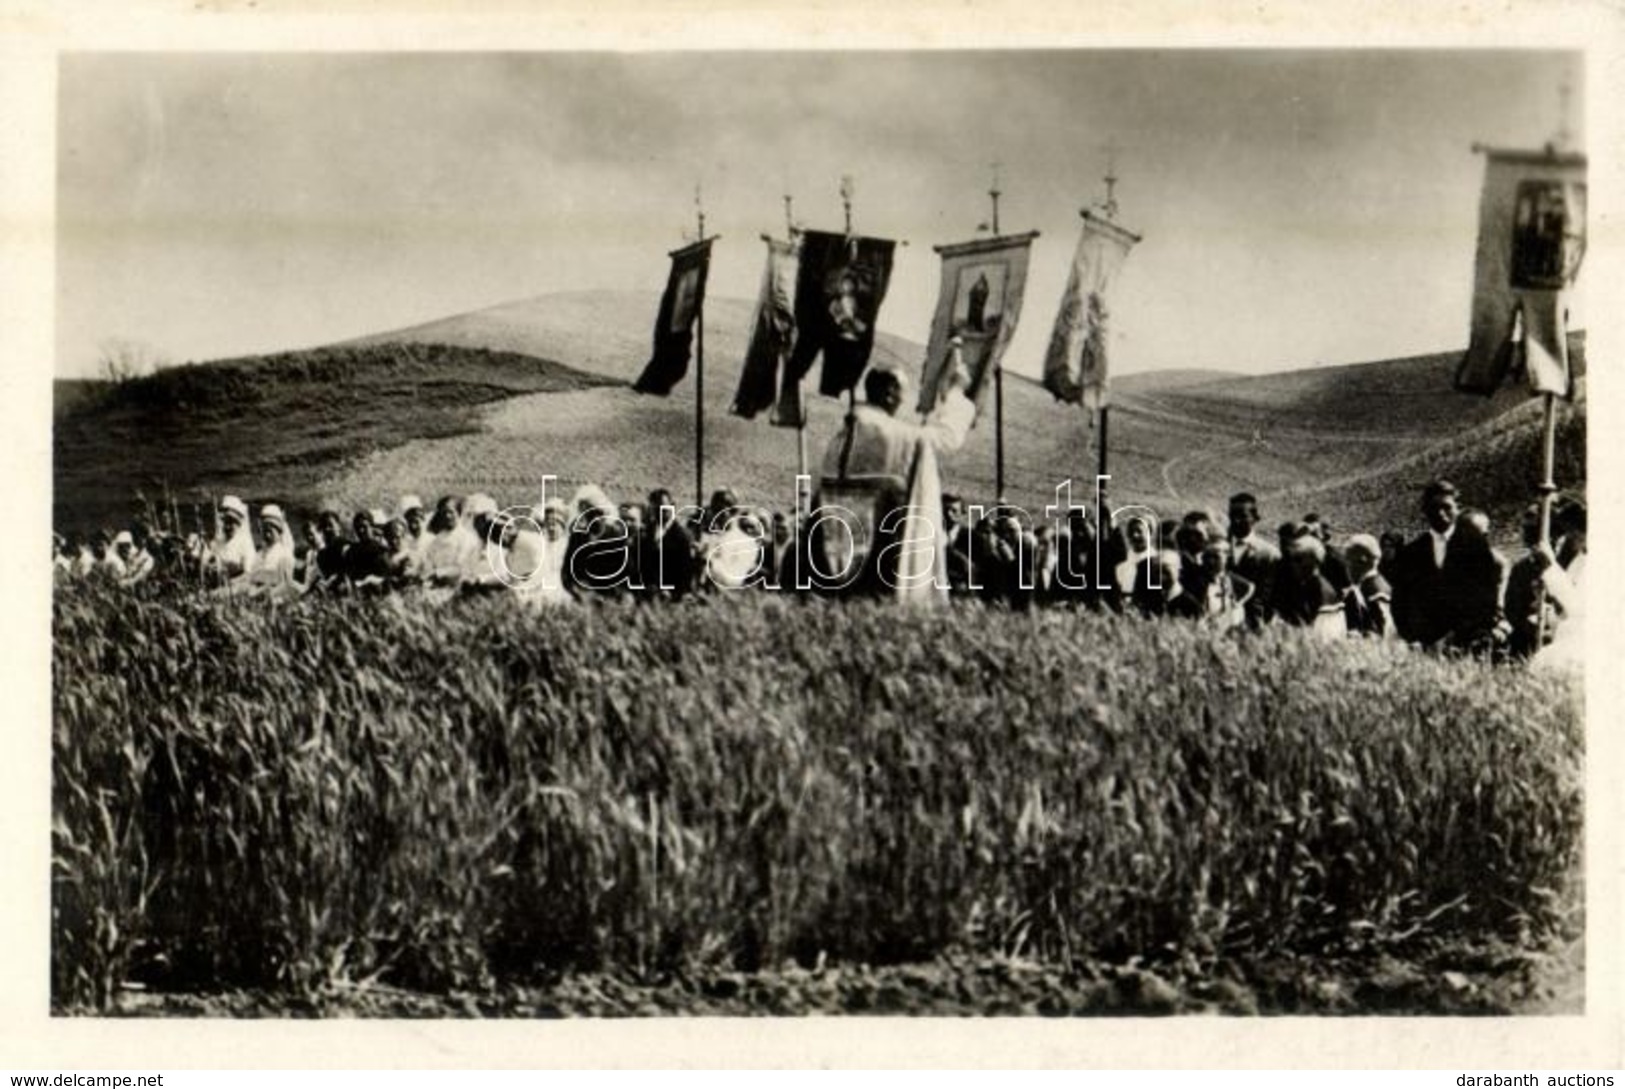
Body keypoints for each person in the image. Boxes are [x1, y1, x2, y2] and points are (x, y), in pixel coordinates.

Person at [813, 348, 974, 599]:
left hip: (833, 553)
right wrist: (956, 392)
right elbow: (945, 437)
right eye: (902, 391)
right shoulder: (892, 434)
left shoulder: (840, 437)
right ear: (889, 393)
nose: (903, 399)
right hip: (880, 554)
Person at [1277, 533, 1345, 638]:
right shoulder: (1310, 584)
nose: (1293, 564)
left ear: (1314, 560)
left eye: (1298, 559)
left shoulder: (1317, 589)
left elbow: (1311, 628)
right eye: (1293, 558)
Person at [1227, 492, 1280, 627]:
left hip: (1256, 625)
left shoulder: (1269, 553)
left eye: (1242, 516)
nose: (1236, 520)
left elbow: (1273, 595)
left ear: (1255, 518)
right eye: (1232, 515)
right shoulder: (1219, 550)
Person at [1340, 533, 1394, 639]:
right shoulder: (1372, 585)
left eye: (1348, 560)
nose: (1346, 568)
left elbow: (1386, 632)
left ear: (1362, 560)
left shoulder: (1375, 591)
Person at [209, 495, 258, 582]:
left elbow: (249, 574)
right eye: (226, 522)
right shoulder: (219, 541)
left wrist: (230, 582)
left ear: (238, 524)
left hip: (237, 586)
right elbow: (211, 561)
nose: (227, 527)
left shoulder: (245, 543)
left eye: (231, 523)